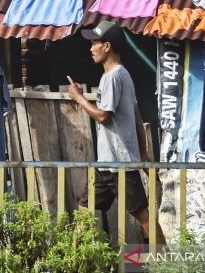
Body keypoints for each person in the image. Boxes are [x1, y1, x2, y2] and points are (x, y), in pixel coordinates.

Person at [68, 21, 166, 245]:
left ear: (107, 46)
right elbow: (137, 116)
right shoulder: (124, 74)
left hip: (119, 164)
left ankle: (169, 262)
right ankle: (73, 263)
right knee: (84, 210)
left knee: (143, 215)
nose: (91, 48)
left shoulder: (112, 77)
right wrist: (142, 152)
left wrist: (79, 98)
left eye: (95, 43)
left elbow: (104, 116)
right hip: (106, 163)